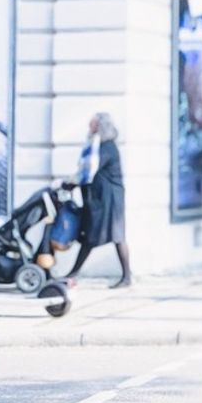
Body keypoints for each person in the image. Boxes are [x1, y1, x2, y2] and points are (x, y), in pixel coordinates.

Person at [65, 112, 131, 287]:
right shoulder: (100, 146)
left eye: (92, 124)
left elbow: (88, 171)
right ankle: (74, 272)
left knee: (108, 236)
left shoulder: (106, 148)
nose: (89, 127)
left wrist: (72, 182)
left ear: (100, 127)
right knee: (96, 236)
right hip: (103, 199)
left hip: (109, 200)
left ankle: (126, 277)